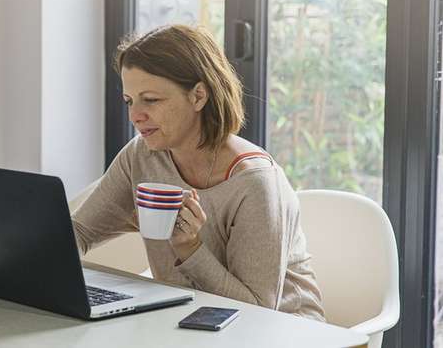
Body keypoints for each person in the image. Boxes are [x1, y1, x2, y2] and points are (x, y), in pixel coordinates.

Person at [71, 24, 326, 321]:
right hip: (190, 324)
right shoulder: (142, 155)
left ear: (198, 96)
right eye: (130, 101)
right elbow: (80, 232)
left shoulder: (255, 182)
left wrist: (190, 248)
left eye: (151, 99)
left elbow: (258, 311)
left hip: (284, 333)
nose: (135, 115)